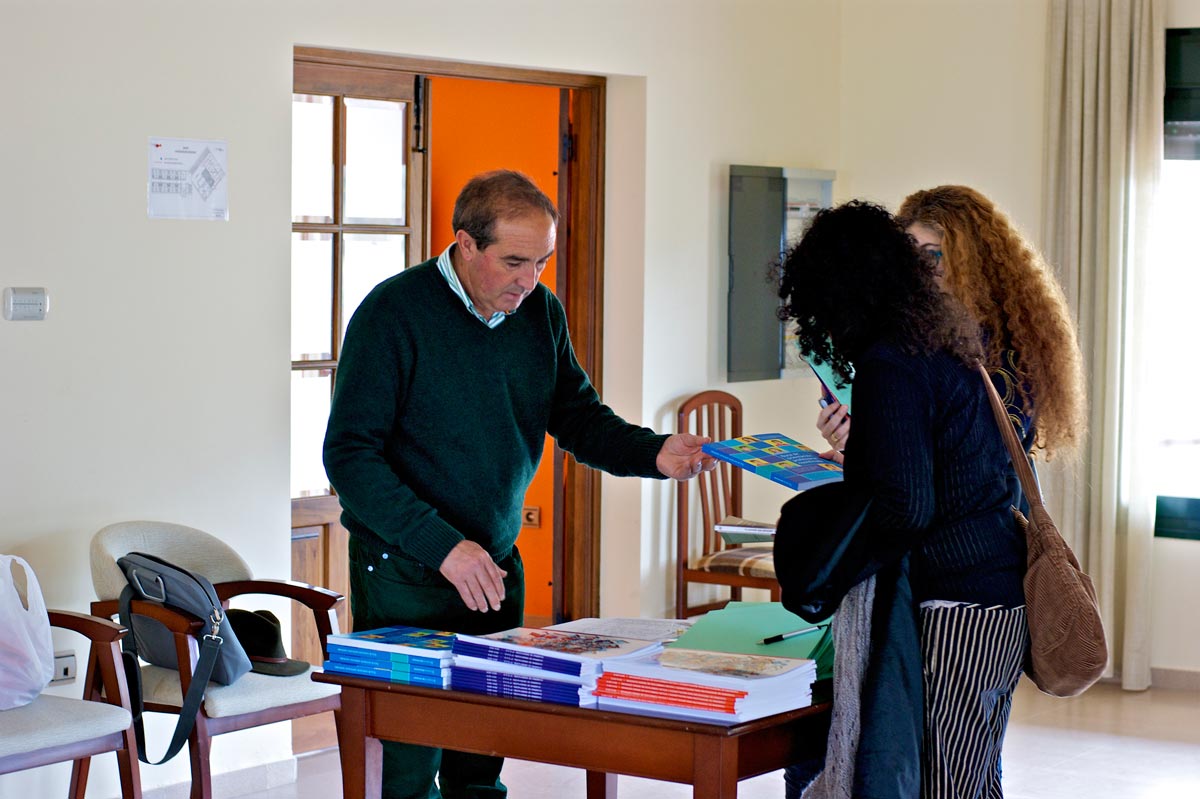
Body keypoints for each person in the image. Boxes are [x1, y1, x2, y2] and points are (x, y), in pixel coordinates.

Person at [323, 169, 714, 799]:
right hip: (404, 571)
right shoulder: (393, 313)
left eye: (541, 263)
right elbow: (349, 457)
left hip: (495, 566)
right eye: (513, 262)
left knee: (483, 759)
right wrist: (443, 546)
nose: (529, 280)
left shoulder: (540, 313)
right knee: (407, 767)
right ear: (465, 243)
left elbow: (579, 418)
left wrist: (655, 453)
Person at [775, 200, 1086, 798]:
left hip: (957, 601)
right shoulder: (947, 347)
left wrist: (830, 565)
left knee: (951, 782)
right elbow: (936, 472)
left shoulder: (893, 360)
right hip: (990, 589)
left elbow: (907, 506)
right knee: (967, 776)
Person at [814, 185, 1086, 473]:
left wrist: (873, 445)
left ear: (970, 261)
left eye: (932, 256)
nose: (918, 271)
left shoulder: (1006, 348)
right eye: (910, 257)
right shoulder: (925, 337)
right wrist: (861, 446)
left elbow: (970, 467)